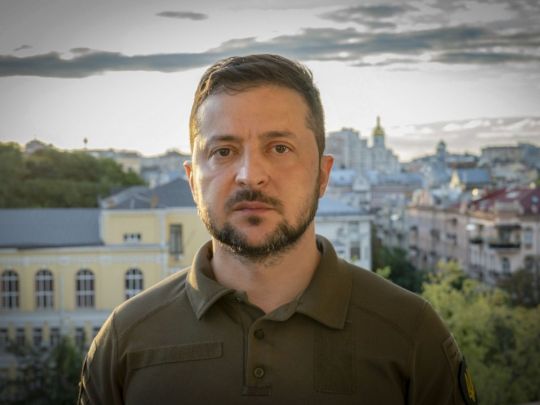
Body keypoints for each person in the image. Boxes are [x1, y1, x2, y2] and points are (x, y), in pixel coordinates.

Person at [78, 54, 477, 405]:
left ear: (322, 175)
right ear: (192, 181)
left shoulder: (410, 334)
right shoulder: (125, 340)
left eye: (280, 148)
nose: (250, 175)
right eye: (223, 151)